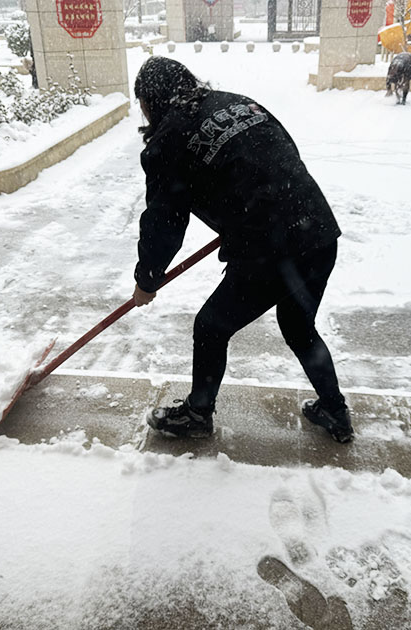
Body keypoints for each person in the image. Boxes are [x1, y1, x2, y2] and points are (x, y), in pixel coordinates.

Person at [131, 56, 353, 444]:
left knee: (211, 327)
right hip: (317, 229)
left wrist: (147, 279)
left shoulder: (168, 141)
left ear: (150, 102)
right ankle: (334, 410)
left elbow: (164, 222)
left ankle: (198, 415)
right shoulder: (237, 102)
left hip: (271, 249)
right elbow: (281, 155)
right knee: (299, 327)